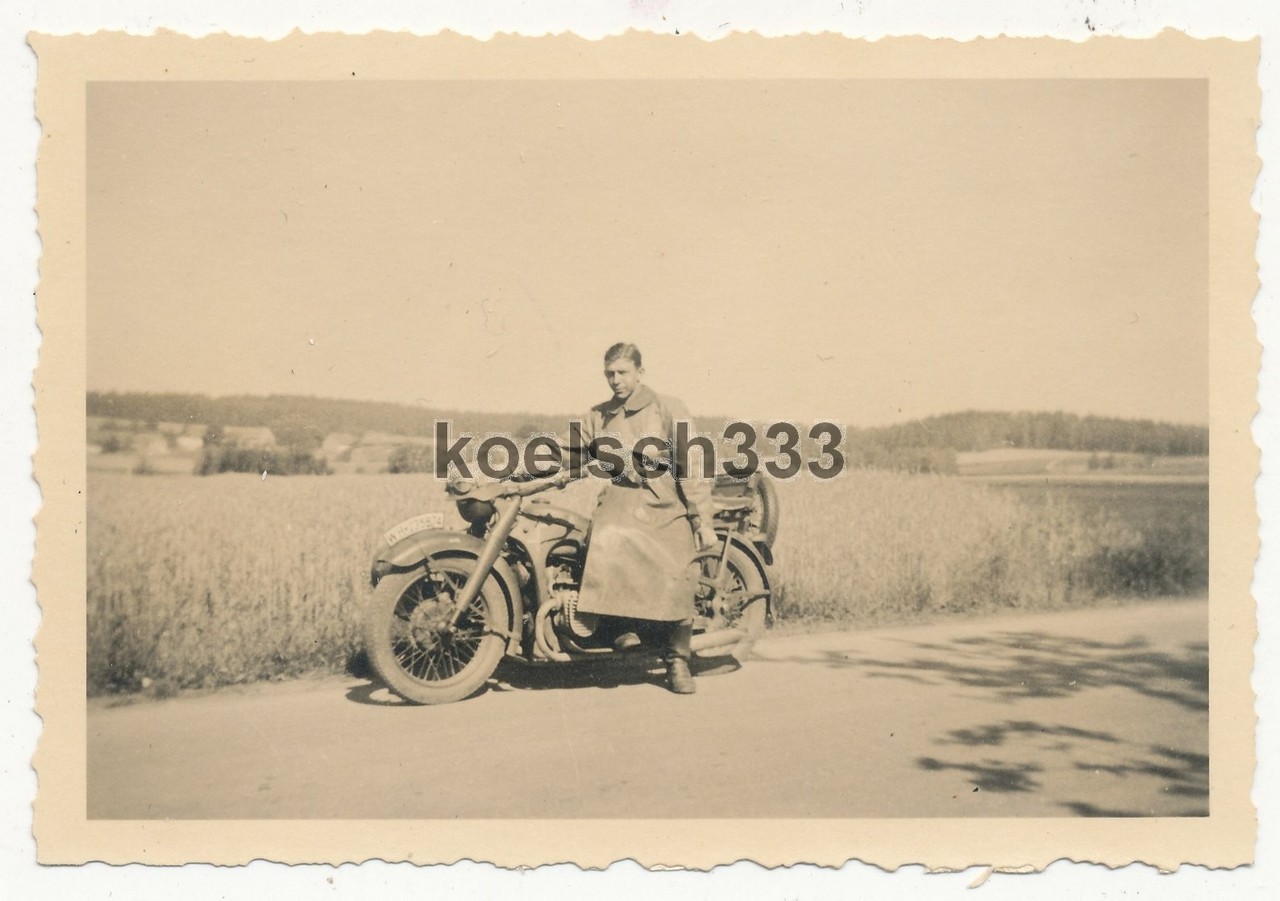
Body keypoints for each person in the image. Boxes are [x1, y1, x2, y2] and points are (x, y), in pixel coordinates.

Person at [567, 342, 717, 694]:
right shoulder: (598, 415)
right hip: (619, 497)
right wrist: (523, 470)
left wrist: (701, 518)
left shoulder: (668, 408)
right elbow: (568, 450)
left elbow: (692, 465)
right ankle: (619, 629)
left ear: (640, 373)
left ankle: (678, 659)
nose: (615, 380)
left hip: (664, 501)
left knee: (677, 564)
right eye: (609, 373)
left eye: (622, 372)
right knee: (599, 538)